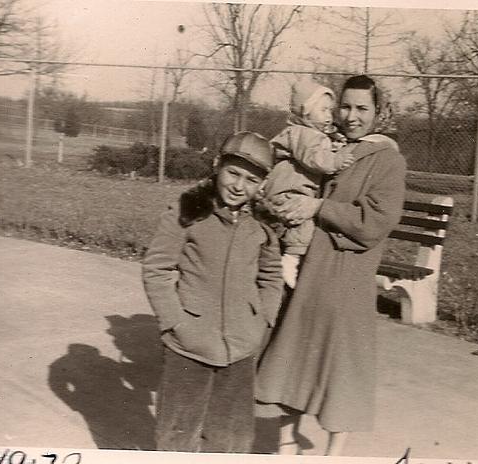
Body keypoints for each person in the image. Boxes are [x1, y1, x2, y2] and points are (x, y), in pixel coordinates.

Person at [256, 75, 407, 456]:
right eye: (345, 107)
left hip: (346, 273)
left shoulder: (387, 159)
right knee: (293, 356)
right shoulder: (325, 144)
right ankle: (286, 444)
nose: (352, 116)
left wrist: (320, 207)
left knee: (340, 368)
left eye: (362, 109)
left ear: (379, 112)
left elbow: (375, 220)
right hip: (308, 270)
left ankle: (333, 453)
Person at [142, 131, 283, 453]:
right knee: (177, 436)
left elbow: (272, 275)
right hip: (189, 345)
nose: (238, 185)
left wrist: (261, 320)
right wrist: (175, 322)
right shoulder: (188, 210)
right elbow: (157, 267)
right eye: (233, 173)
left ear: (261, 184)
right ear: (217, 166)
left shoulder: (263, 223)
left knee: (232, 440)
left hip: (241, 349)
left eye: (250, 179)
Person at [262, 78, 356, 288]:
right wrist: (336, 160)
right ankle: (291, 261)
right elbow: (315, 160)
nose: (329, 116)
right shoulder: (306, 134)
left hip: (281, 189)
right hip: (289, 192)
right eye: (323, 110)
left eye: (330, 110)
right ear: (306, 113)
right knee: (304, 225)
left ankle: (279, 259)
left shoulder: (302, 132)